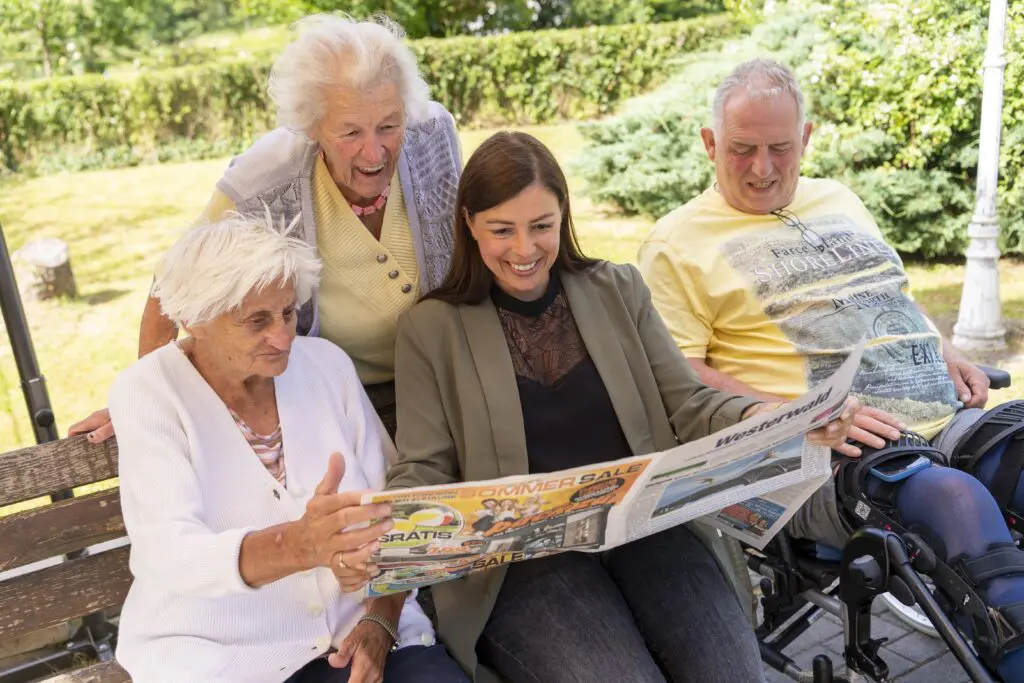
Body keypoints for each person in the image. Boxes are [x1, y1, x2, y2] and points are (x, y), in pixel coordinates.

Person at [335, 131, 859, 683]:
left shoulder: (617, 289)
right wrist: (386, 532)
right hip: (525, 567)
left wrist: (768, 421)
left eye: (542, 226)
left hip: (648, 534)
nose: (524, 249)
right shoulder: (430, 329)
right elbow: (425, 465)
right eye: (502, 230)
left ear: (563, 216)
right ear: (468, 223)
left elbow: (689, 403)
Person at [638, 57, 1024, 679]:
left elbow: (885, 294)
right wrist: (804, 416)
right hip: (818, 449)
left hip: (935, 415)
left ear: (807, 139)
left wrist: (941, 347)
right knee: (952, 499)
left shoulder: (838, 198)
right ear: (709, 143)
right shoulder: (675, 243)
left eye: (780, 149)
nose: (763, 169)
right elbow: (682, 379)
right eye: (741, 150)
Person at [107, 214, 469, 683]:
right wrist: (300, 545)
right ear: (195, 320)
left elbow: (398, 515)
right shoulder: (149, 391)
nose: (283, 337)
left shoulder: (326, 366)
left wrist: (381, 619)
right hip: (222, 658)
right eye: (257, 321)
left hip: (364, 636)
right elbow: (169, 553)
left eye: (287, 312)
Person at [73, 13, 461, 442]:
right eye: (350, 132)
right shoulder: (265, 180)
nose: (375, 151)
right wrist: (143, 400)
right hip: (333, 400)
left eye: (389, 126)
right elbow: (173, 283)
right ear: (312, 126)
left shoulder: (432, 133)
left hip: (442, 380)